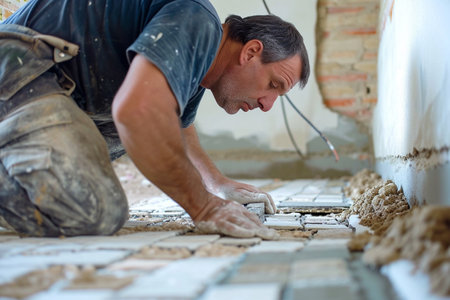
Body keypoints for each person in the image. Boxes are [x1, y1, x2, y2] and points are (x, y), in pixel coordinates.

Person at [0, 0, 310, 238]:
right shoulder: (198, 21)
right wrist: (203, 206)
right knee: (96, 210)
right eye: (274, 85)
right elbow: (137, 112)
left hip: (40, 85)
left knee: (155, 123)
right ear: (251, 52)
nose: (268, 105)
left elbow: (178, 128)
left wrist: (217, 185)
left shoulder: (199, 66)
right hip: (17, 68)